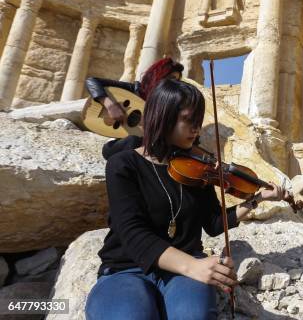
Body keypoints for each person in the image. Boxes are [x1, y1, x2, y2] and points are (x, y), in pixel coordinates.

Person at [85, 79, 288, 320]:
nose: (196, 129)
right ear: (163, 116)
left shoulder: (195, 168)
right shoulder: (123, 164)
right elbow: (132, 233)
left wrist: (256, 200)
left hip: (185, 269)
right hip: (127, 269)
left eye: (198, 122)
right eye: (188, 120)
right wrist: (195, 267)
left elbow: (213, 223)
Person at [85, 57, 184, 123]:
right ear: (158, 76)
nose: (174, 83)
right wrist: (111, 106)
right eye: (171, 78)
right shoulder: (135, 90)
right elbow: (92, 81)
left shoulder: (170, 103)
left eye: (177, 80)